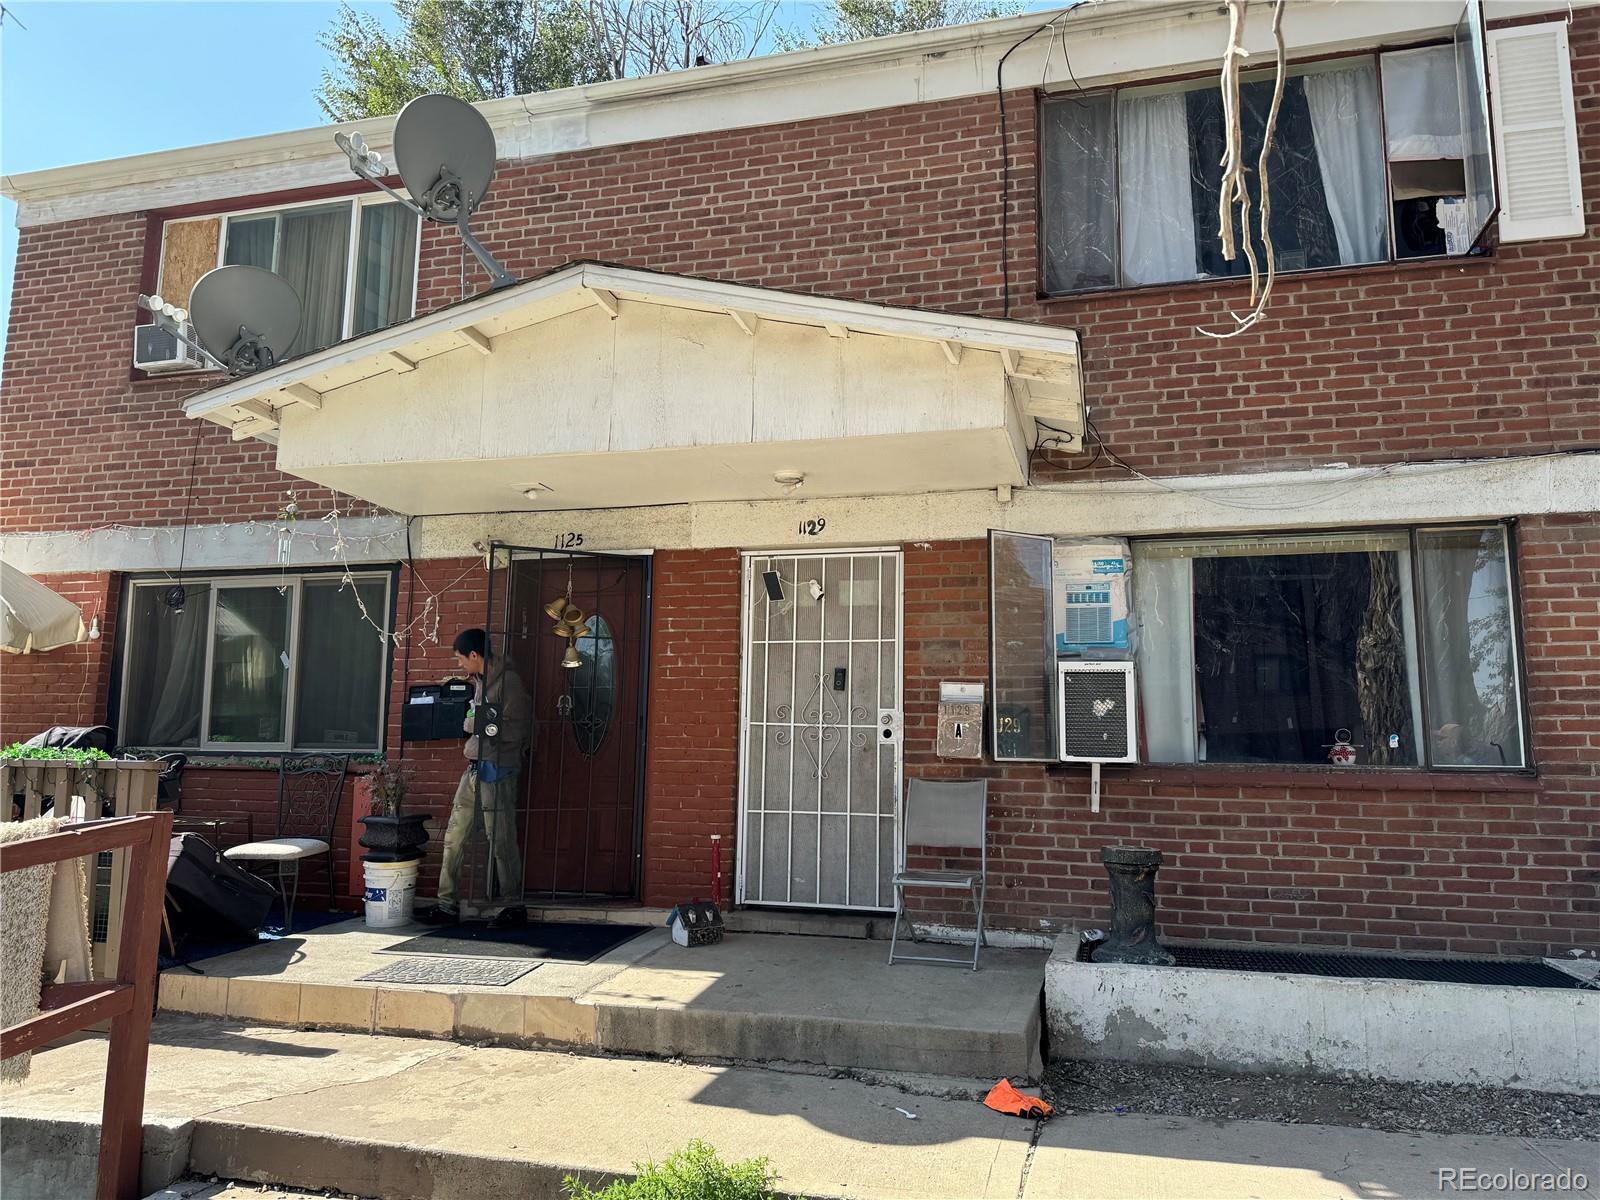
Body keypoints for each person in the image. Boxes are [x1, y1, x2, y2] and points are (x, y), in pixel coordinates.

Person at [415, 628, 533, 928]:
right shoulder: (479, 682)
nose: (459, 665)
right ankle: (446, 905)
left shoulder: (509, 683)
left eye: (460, 659)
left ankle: (512, 905)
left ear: (474, 655)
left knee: (501, 840)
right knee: (454, 838)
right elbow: (475, 722)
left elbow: (520, 729)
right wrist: (479, 723)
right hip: (474, 768)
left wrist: (481, 724)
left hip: (498, 770)